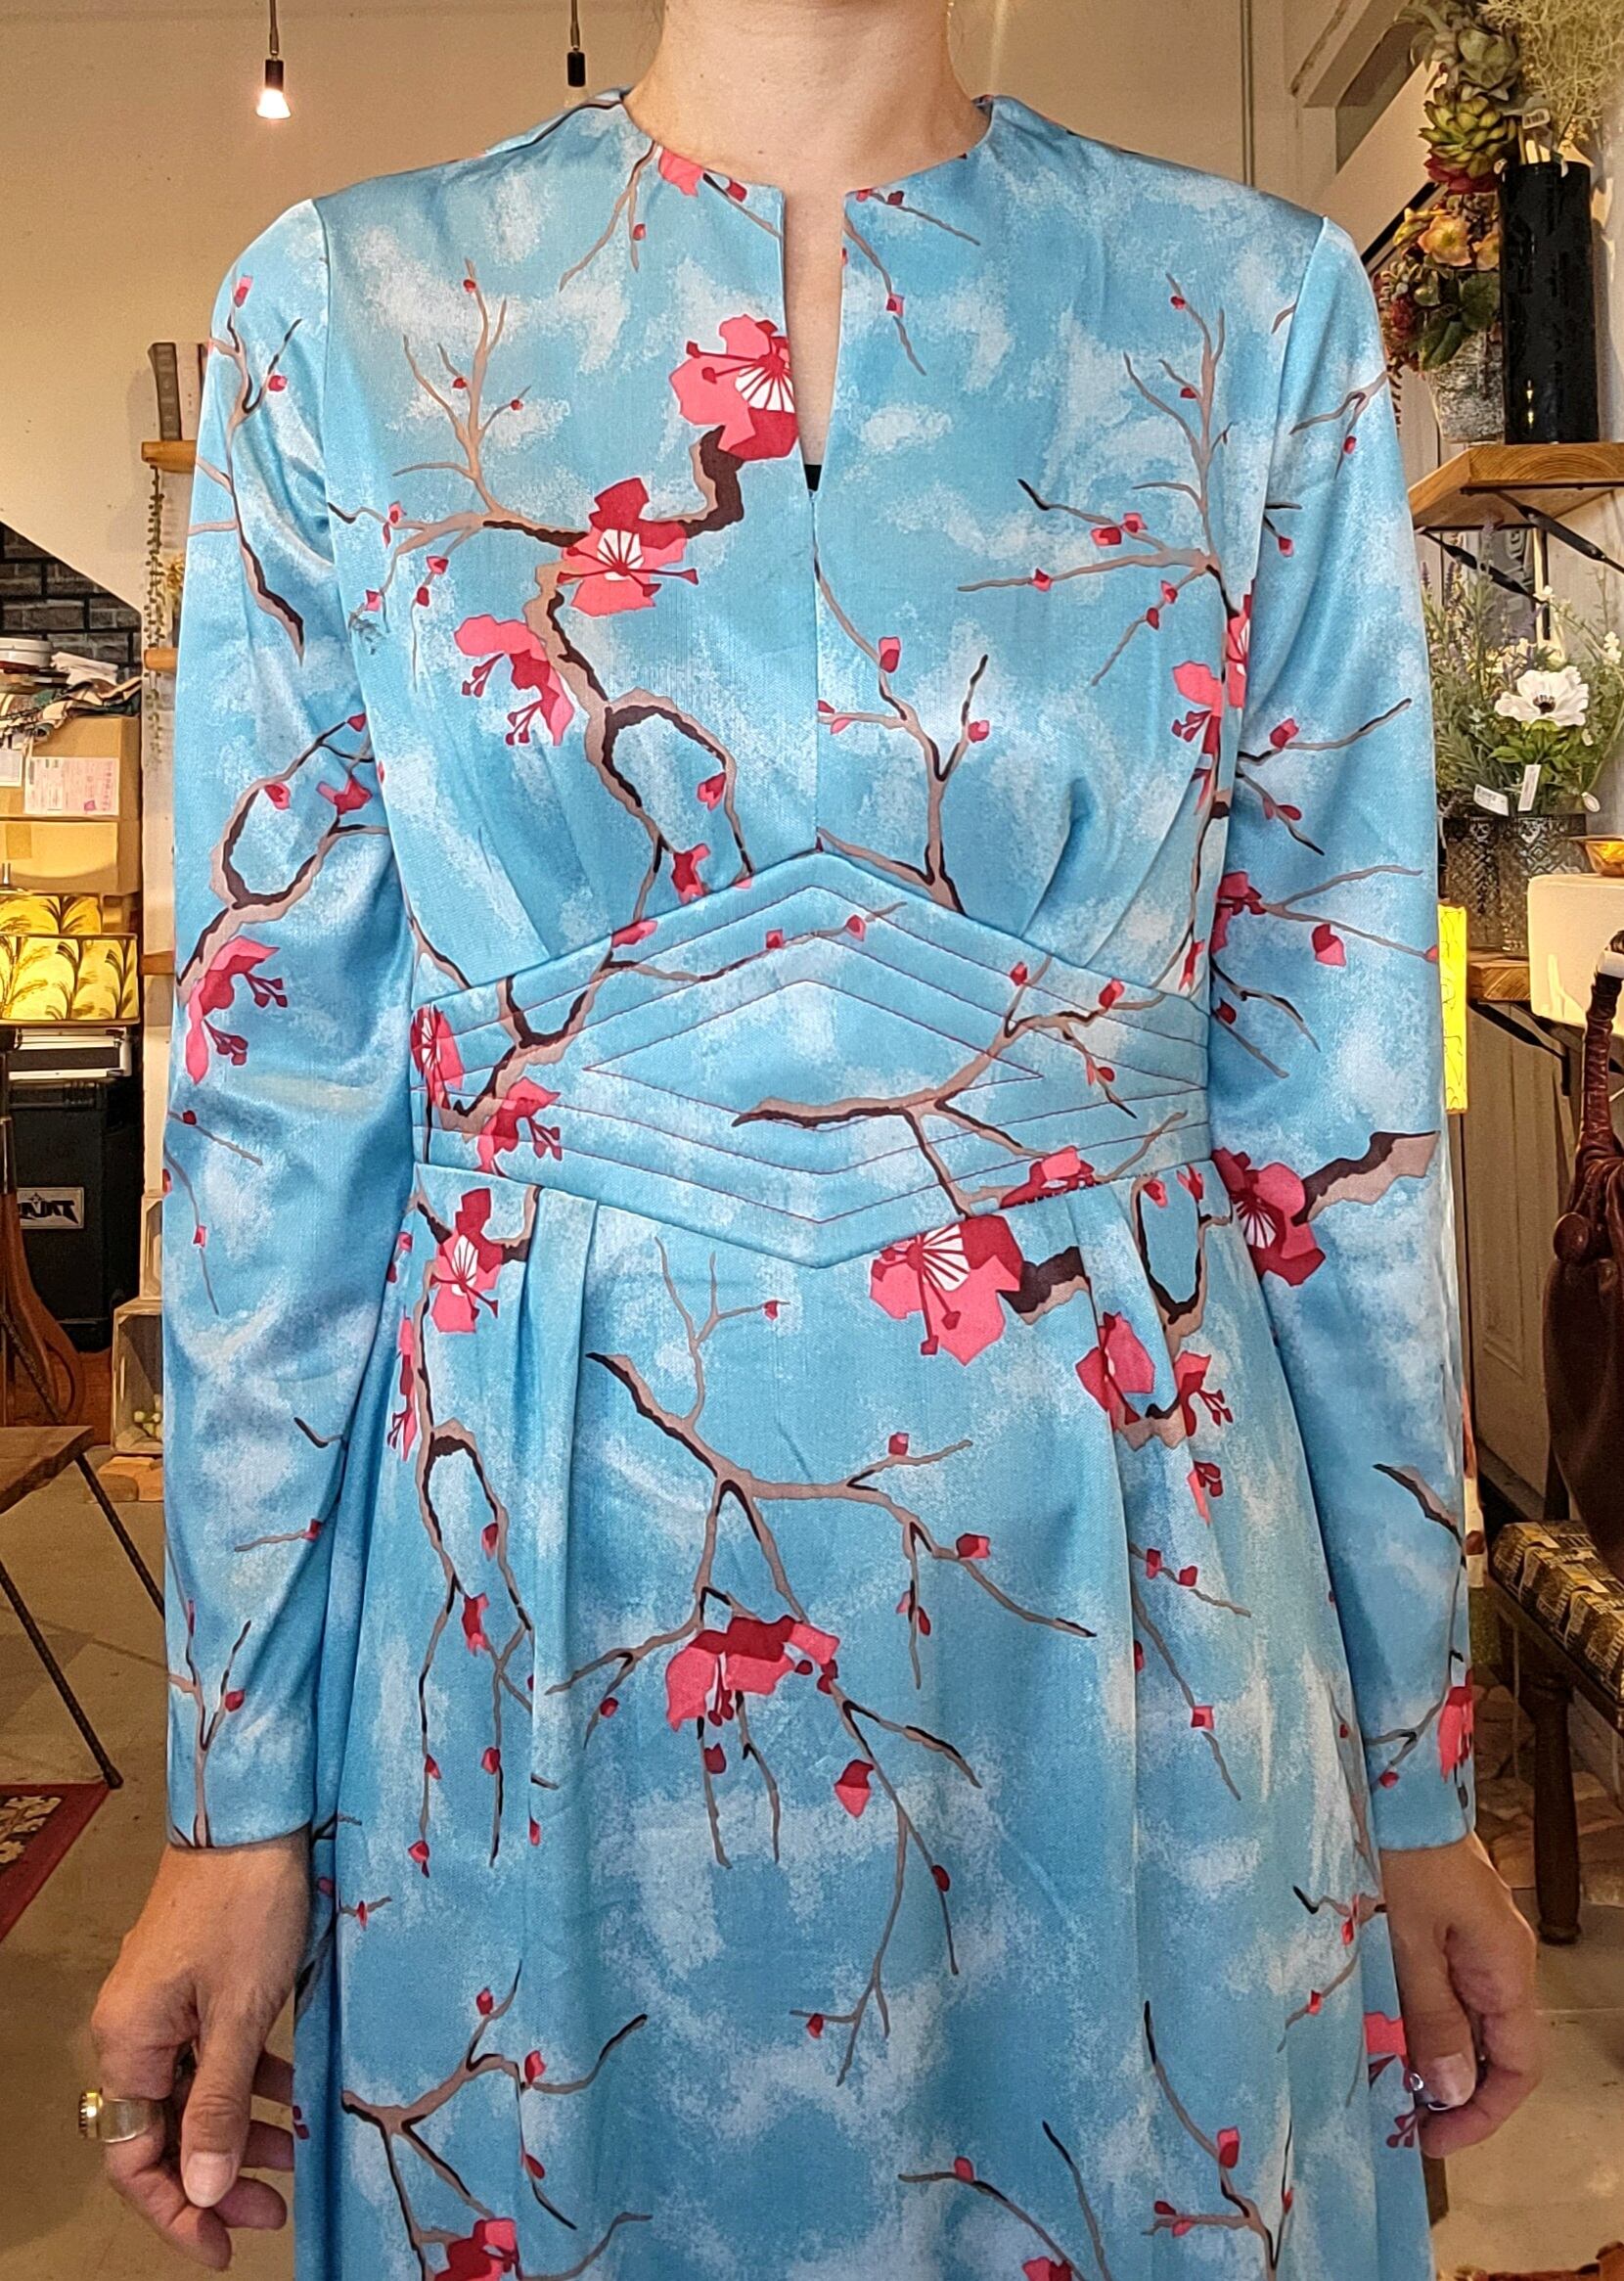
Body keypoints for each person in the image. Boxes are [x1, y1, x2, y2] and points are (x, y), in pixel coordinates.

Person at [89, 1, 1543, 2272]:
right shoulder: (347, 318)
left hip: (1124, 1601)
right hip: (540, 1603)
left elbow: (1327, 1105)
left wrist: (1410, 1763)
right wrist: (232, 1790)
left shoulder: (1250, 318)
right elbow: (280, 1123)